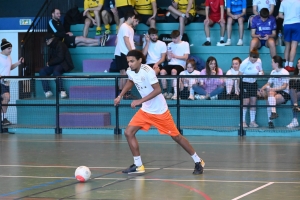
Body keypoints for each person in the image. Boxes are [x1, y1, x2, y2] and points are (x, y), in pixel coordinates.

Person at [114, 49, 205, 175]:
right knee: (128, 132)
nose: (129, 64)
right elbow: (131, 81)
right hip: (145, 110)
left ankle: (198, 161)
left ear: (140, 60)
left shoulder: (148, 71)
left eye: (132, 61)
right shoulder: (130, 71)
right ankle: (138, 165)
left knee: (176, 137)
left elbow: (157, 90)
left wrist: (140, 101)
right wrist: (120, 96)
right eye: (128, 61)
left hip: (159, 111)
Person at [39, 34, 74, 98]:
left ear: (51, 39)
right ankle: (47, 91)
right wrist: (49, 63)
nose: (47, 43)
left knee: (56, 72)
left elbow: (60, 58)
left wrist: (49, 63)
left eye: (47, 41)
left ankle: (62, 91)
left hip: (63, 64)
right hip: (54, 64)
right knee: (42, 71)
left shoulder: (60, 44)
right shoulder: (51, 47)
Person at [259, 55, 290, 128]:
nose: (271, 64)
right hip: (274, 91)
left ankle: (270, 120)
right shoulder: (273, 72)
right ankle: (273, 114)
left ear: (276, 63)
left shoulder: (285, 72)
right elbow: (268, 83)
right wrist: (262, 88)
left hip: (284, 92)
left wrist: (273, 89)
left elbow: (284, 86)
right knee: (269, 95)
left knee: (268, 101)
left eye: (272, 62)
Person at [114, 11, 139, 99]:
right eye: (134, 18)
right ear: (131, 17)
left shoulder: (128, 28)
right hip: (124, 53)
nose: (135, 20)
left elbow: (117, 41)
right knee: (126, 74)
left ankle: (122, 94)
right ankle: (125, 93)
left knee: (123, 74)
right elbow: (126, 40)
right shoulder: (125, 27)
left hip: (122, 53)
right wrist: (132, 53)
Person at [237, 49, 264, 128]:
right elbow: (239, 75)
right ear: (249, 56)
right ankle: (243, 121)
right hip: (244, 83)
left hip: (253, 83)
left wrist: (261, 73)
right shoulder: (244, 63)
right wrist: (238, 87)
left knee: (253, 102)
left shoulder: (259, 61)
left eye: (254, 60)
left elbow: (261, 70)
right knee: (246, 102)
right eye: (252, 60)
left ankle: (252, 122)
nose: (253, 61)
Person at [160, 30, 190, 99]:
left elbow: (186, 57)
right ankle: (165, 92)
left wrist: (175, 56)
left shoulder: (185, 44)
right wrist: (168, 57)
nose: (173, 40)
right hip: (171, 63)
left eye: (175, 38)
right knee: (162, 72)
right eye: (172, 38)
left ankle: (173, 91)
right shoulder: (170, 44)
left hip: (180, 64)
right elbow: (168, 59)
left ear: (179, 37)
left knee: (174, 71)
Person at [0, 39, 24, 126]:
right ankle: (3, 119)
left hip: (7, 83)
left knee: (6, 99)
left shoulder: (9, 57)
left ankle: (3, 118)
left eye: (11, 48)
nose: (10, 50)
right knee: (6, 97)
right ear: (3, 49)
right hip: (1, 82)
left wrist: (18, 63)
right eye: (9, 48)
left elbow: (9, 68)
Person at [278, 0, 300, 72]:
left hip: (287, 24)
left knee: (287, 46)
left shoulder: (283, 2)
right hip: (297, 24)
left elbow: (280, 15)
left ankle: (285, 65)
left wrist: (287, 17)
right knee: (294, 46)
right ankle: (290, 66)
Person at [286, 58, 300, 128]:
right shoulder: (295, 74)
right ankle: (295, 120)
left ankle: (295, 120)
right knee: (292, 92)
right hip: (296, 93)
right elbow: (291, 85)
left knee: (293, 96)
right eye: (298, 63)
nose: (298, 64)